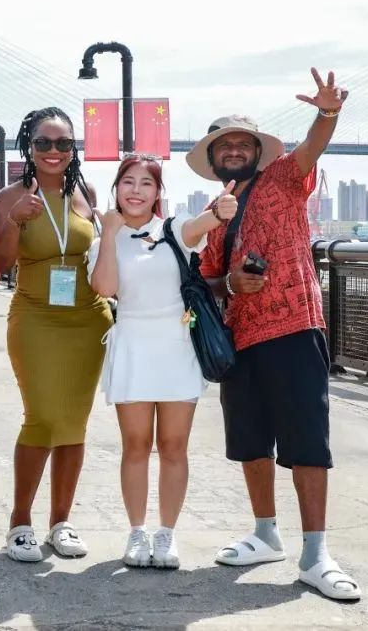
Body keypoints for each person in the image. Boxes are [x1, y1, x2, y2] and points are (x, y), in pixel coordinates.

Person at [187, 68, 360, 601]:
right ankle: (265, 533)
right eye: (225, 145)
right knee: (251, 442)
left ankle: (315, 553)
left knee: (308, 441)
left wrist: (327, 111)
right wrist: (231, 284)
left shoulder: (286, 176)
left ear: (259, 152)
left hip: (295, 327)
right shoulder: (212, 215)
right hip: (241, 338)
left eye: (243, 143)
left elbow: (313, 147)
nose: (234, 150)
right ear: (214, 160)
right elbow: (206, 283)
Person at [87, 155, 237, 569]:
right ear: (116, 188)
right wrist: (111, 233)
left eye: (146, 184)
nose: (136, 191)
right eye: (128, 182)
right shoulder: (104, 241)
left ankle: (166, 535)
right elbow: (106, 288)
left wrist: (219, 211)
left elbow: (202, 224)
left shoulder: (172, 229)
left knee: (173, 447)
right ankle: (137, 534)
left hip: (176, 348)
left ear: (157, 193)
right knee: (135, 446)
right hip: (133, 346)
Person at [0, 107, 112, 562]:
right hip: (36, 317)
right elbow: (1, 264)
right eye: (44, 143)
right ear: (30, 146)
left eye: (64, 143)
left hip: (88, 318)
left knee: (73, 424)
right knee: (41, 417)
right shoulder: (10, 195)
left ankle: (61, 522)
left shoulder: (86, 191)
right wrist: (17, 221)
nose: (54, 151)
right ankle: (19, 523)